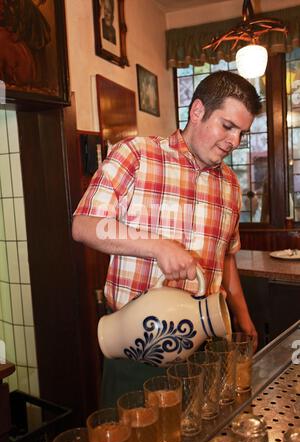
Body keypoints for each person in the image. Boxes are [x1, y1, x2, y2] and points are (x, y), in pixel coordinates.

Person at [72, 71, 261, 407]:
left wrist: (242, 318)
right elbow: (84, 225)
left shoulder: (231, 184)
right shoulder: (137, 154)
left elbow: (226, 256)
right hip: (139, 347)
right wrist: (157, 246)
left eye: (241, 133)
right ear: (198, 110)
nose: (234, 141)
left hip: (208, 348)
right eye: (227, 126)